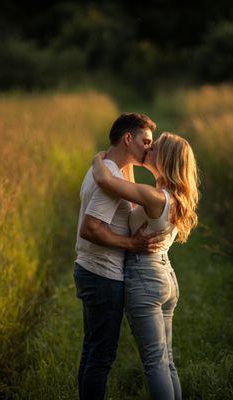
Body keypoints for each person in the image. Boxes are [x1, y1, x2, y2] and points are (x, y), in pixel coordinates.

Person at [92, 132, 200, 400]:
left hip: (145, 278)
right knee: (166, 361)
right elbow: (128, 185)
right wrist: (134, 161)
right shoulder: (174, 197)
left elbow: (105, 179)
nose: (148, 150)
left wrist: (98, 157)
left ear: (164, 159)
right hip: (166, 277)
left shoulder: (155, 197)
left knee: (154, 364)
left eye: (155, 149)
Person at [74, 113, 167, 400]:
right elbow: (90, 228)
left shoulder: (107, 168)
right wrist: (130, 244)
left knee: (92, 350)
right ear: (128, 139)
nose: (149, 150)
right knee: (101, 357)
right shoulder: (110, 176)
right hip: (103, 275)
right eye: (146, 142)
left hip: (91, 269)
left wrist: (100, 158)